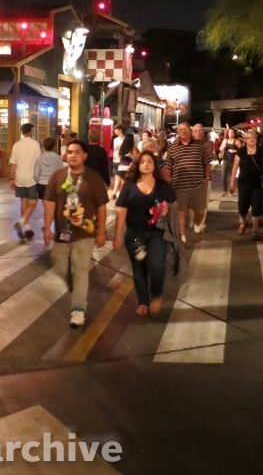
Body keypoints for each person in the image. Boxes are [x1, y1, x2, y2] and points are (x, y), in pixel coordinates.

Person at [42, 140, 110, 328]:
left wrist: (101, 231)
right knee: (61, 268)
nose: (72, 155)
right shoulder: (57, 176)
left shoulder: (94, 178)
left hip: (85, 233)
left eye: (77, 152)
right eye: (70, 152)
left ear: (85, 155)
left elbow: (102, 207)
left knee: (81, 270)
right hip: (62, 232)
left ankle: (78, 308)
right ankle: (74, 284)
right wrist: (47, 228)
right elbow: (50, 203)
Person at [113, 150, 176, 316]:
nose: (145, 164)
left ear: (154, 165)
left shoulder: (163, 186)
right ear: (137, 165)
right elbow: (121, 211)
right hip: (135, 234)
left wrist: (167, 209)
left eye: (149, 161)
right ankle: (143, 301)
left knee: (156, 265)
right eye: (142, 162)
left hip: (157, 233)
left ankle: (156, 295)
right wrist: (117, 235)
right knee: (139, 266)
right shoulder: (129, 187)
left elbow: (174, 204)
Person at [163, 121, 213, 242]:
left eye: (186, 129)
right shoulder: (173, 148)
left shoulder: (199, 146)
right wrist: (166, 182)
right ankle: (182, 237)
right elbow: (168, 167)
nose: (183, 131)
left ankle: (197, 224)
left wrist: (206, 177)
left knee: (200, 211)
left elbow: (207, 162)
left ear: (190, 132)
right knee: (181, 212)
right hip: (179, 185)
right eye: (181, 130)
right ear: (178, 132)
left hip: (198, 185)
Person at [230, 130, 263, 239]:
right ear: (245, 140)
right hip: (244, 183)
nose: (252, 139)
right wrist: (232, 181)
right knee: (242, 207)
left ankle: (255, 230)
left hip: (257, 184)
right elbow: (235, 166)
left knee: (256, 207)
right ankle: (244, 221)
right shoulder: (241, 151)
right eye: (249, 137)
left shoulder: (261, 151)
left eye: (254, 137)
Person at [8, 123, 43, 242]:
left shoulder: (16, 145)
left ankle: (27, 228)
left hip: (19, 177)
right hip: (31, 177)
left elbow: (13, 164)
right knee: (32, 202)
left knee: (23, 201)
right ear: (30, 131)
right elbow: (39, 161)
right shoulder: (35, 144)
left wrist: (11, 178)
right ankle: (21, 222)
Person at [35, 136, 66, 200]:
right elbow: (61, 173)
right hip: (53, 184)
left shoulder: (40, 158)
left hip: (42, 184)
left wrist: (37, 182)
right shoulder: (58, 158)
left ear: (44, 147)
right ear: (54, 146)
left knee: (45, 204)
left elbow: (36, 174)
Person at [113, 133, 136, 200]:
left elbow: (118, 157)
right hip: (128, 168)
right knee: (127, 185)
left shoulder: (121, 148)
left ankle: (120, 197)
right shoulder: (133, 148)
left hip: (120, 167)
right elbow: (137, 158)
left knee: (123, 185)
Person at [220, 130, 240, 196]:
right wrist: (223, 147)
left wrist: (235, 151)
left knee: (232, 176)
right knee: (224, 175)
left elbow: (241, 150)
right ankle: (224, 191)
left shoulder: (237, 141)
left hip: (233, 160)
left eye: (232, 132)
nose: (230, 134)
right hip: (225, 159)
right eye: (229, 132)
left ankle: (232, 191)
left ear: (234, 133)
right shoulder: (225, 140)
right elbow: (220, 148)